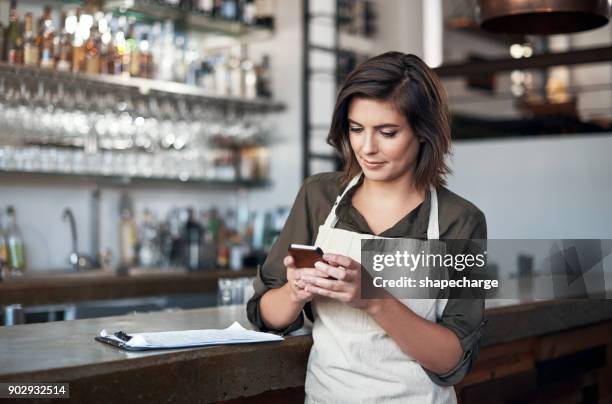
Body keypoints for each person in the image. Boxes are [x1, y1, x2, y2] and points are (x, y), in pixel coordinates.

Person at [246, 51, 487, 403]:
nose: (367, 148)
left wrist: (374, 300)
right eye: (356, 129)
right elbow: (265, 315)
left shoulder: (460, 220)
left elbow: (454, 360)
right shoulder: (319, 196)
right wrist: (295, 293)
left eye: (387, 132)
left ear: (424, 133)